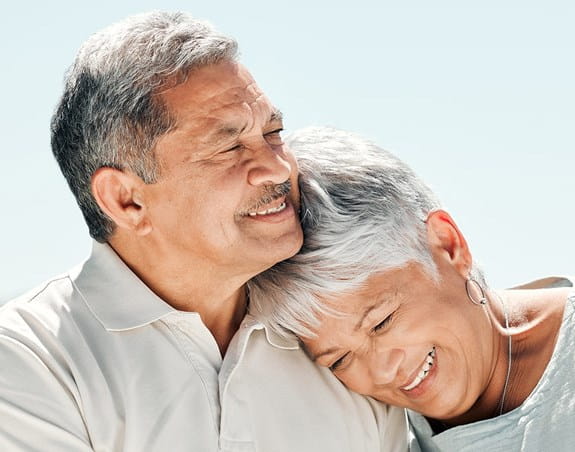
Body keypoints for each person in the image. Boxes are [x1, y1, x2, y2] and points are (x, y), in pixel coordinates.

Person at [0, 13, 407, 452]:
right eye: (229, 147)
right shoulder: (30, 359)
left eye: (273, 132)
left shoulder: (342, 343)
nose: (276, 167)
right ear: (126, 201)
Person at [249, 126, 575, 452]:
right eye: (340, 360)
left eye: (381, 322)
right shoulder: (381, 433)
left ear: (449, 246)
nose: (383, 371)